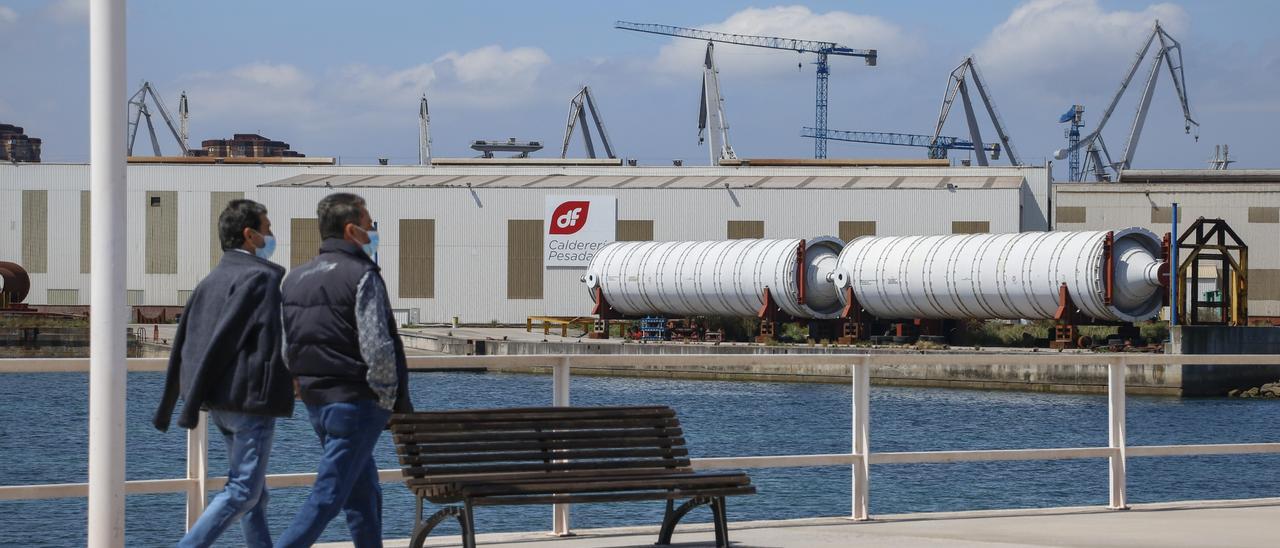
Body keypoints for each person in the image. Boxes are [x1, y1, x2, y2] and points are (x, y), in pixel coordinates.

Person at [154, 199, 294, 548]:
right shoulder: (260, 278)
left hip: (218, 400)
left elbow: (193, 337)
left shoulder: (212, 279)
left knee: (255, 495)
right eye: (268, 229)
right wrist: (292, 378)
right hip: (250, 400)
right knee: (244, 490)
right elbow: (272, 338)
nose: (272, 235)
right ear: (250, 236)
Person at [277, 193, 413, 548]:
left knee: (362, 492)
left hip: (316, 401)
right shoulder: (362, 275)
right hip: (356, 401)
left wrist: (300, 384)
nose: (373, 232)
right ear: (351, 230)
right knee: (329, 494)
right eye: (370, 226)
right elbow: (377, 344)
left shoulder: (296, 277)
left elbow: (286, 343)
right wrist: (387, 398)